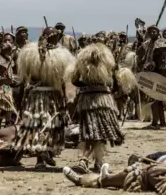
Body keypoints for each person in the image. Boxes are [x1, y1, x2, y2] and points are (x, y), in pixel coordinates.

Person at [12, 26, 75, 168]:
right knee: (44, 125)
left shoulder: (33, 54)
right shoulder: (39, 54)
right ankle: (41, 156)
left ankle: (45, 155)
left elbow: (64, 80)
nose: (57, 39)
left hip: (44, 96)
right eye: (55, 36)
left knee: (45, 125)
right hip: (45, 96)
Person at [66, 42, 126, 174]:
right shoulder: (108, 67)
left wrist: (86, 84)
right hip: (100, 101)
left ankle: (95, 161)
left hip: (95, 101)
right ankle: (87, 160)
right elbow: (116, 86)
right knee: (95, 132)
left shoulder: (85, 67)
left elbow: (75, 81)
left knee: (95, 131)